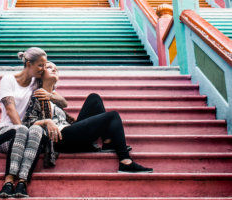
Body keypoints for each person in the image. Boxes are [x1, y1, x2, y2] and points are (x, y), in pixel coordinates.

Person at [22, 61, 153, 173]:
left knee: (94, 98)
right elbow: (27, 124)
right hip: (60, 138)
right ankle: (125, 161)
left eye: (56, 68)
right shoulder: (36, 94)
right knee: (113, 116)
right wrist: (46, 122)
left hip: (70, 131)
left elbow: (64, 107)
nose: (54, 69)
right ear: (40, 74)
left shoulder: (54, 97)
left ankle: (107, 142)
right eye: (49, 67)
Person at [0, 47, 67, 198]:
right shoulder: (9, 79)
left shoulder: (36, 83)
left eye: (45, 65)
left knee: (36, 130)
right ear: (28, 63)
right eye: (40, 65)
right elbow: (10, 108)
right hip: (6, 134)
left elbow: (63, 102)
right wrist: (23, 128)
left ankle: (22, 183)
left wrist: (50, 95)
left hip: (30, 137)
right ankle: (8, 182)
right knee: (22, 130)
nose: (43, 69)